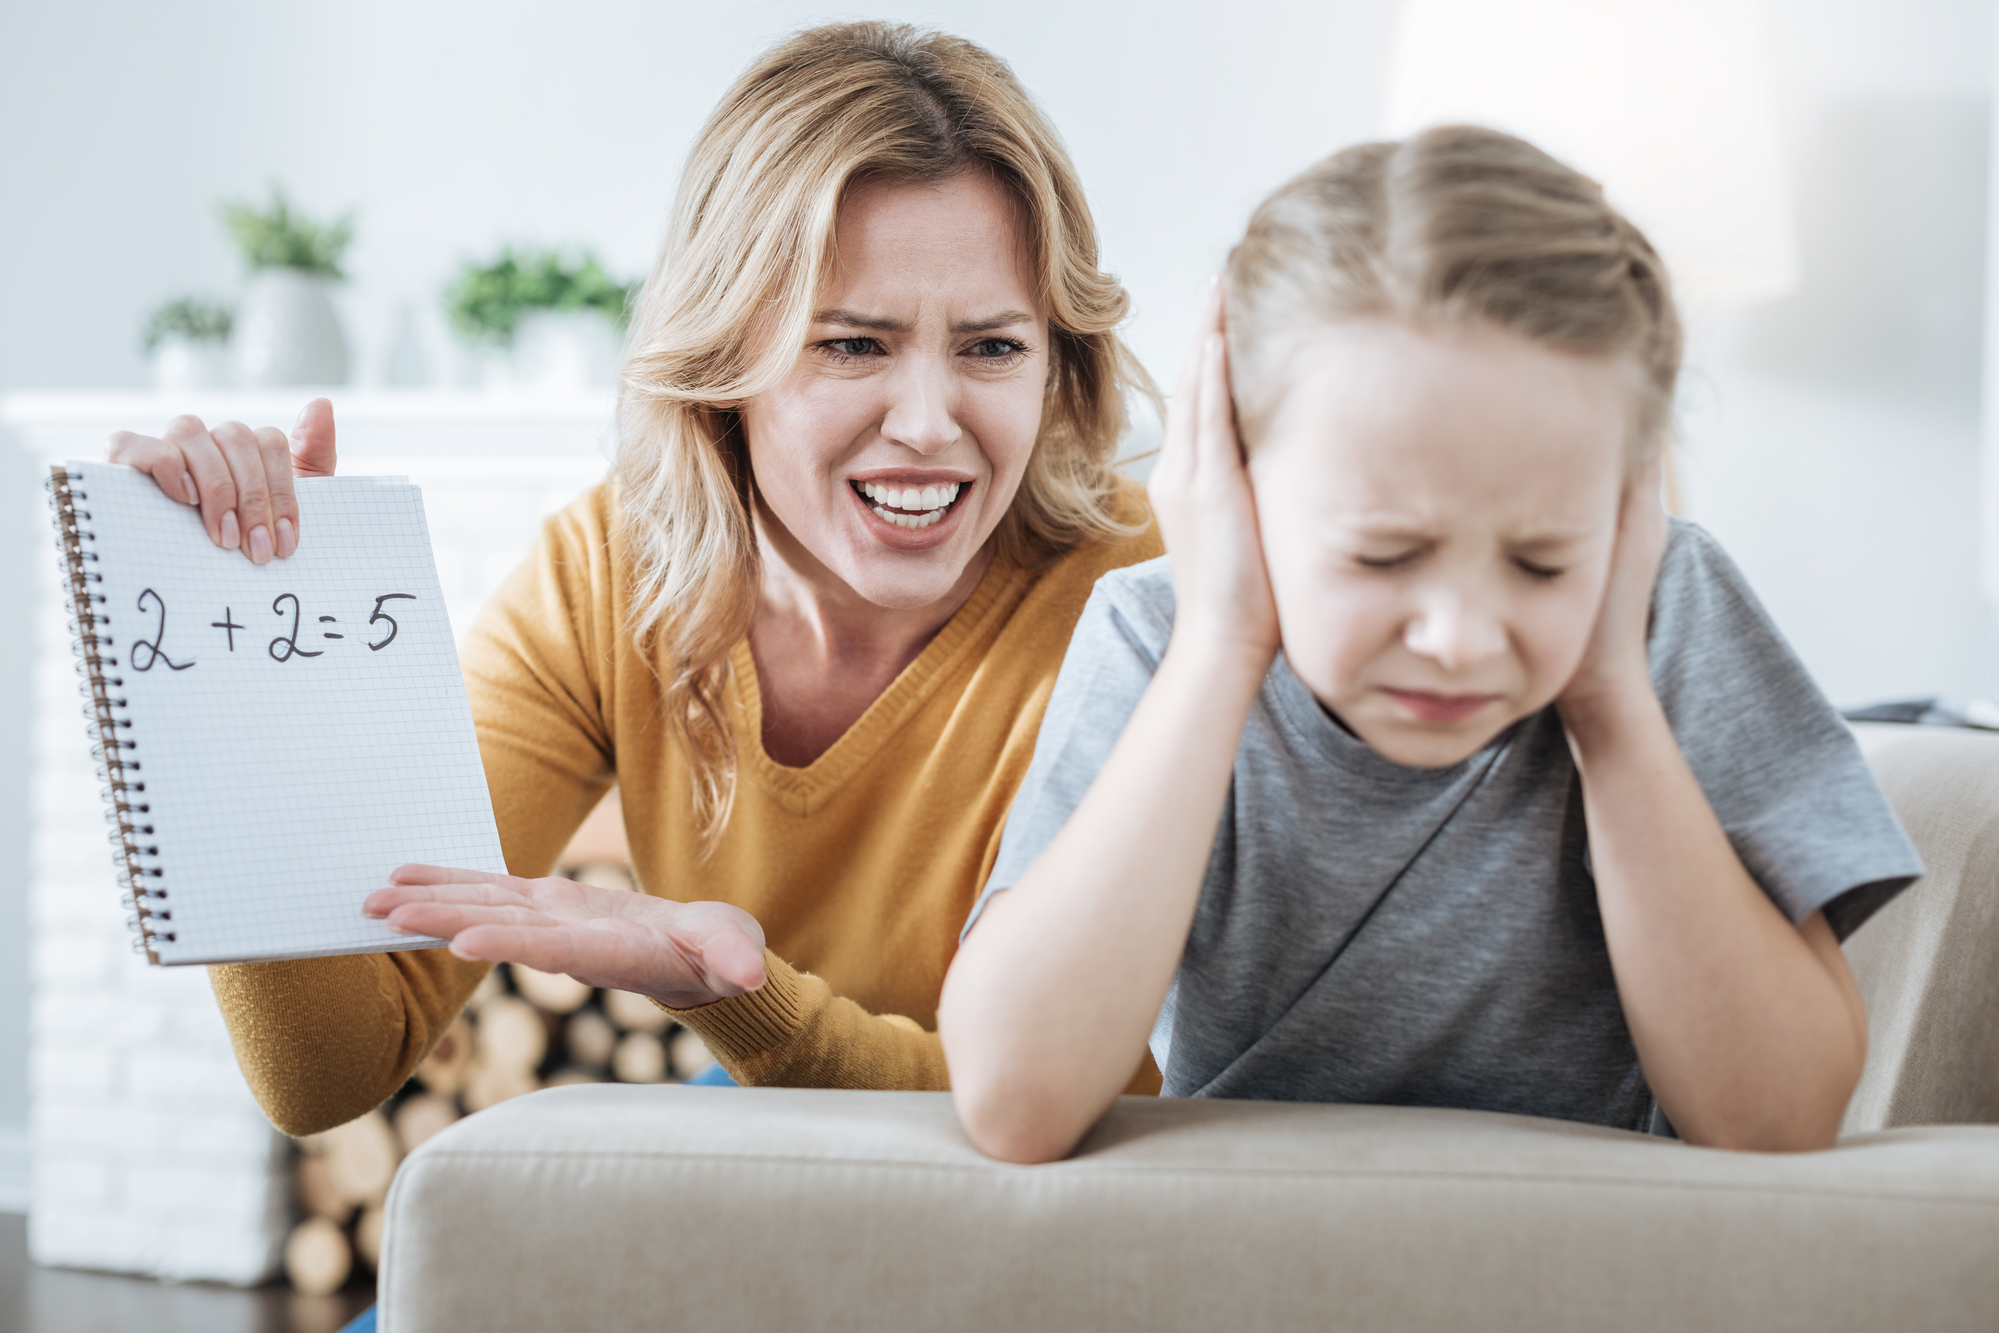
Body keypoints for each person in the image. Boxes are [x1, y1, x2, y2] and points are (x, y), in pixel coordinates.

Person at [107, 21, 1166, 1139]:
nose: (926, 423)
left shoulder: (1143, 603)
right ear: (724, 368)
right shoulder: (610, 576)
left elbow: (1106, 1101)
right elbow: (327, 1069)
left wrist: (739, 997)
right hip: (789, 1121)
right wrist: (234, 671)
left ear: (1058, 361)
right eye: (850, 344)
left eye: (992, 347)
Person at [938, 126, 1924, 1165]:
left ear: (1626, 500)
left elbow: (1778, 1117)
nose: (1458, 639)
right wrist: (1222, 643)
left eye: (1542, 562)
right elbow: (1015, 1099)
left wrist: (1609, 700)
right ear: (1232, 478)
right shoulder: (1159, 636)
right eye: (1382, 555)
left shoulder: (1665, 607)